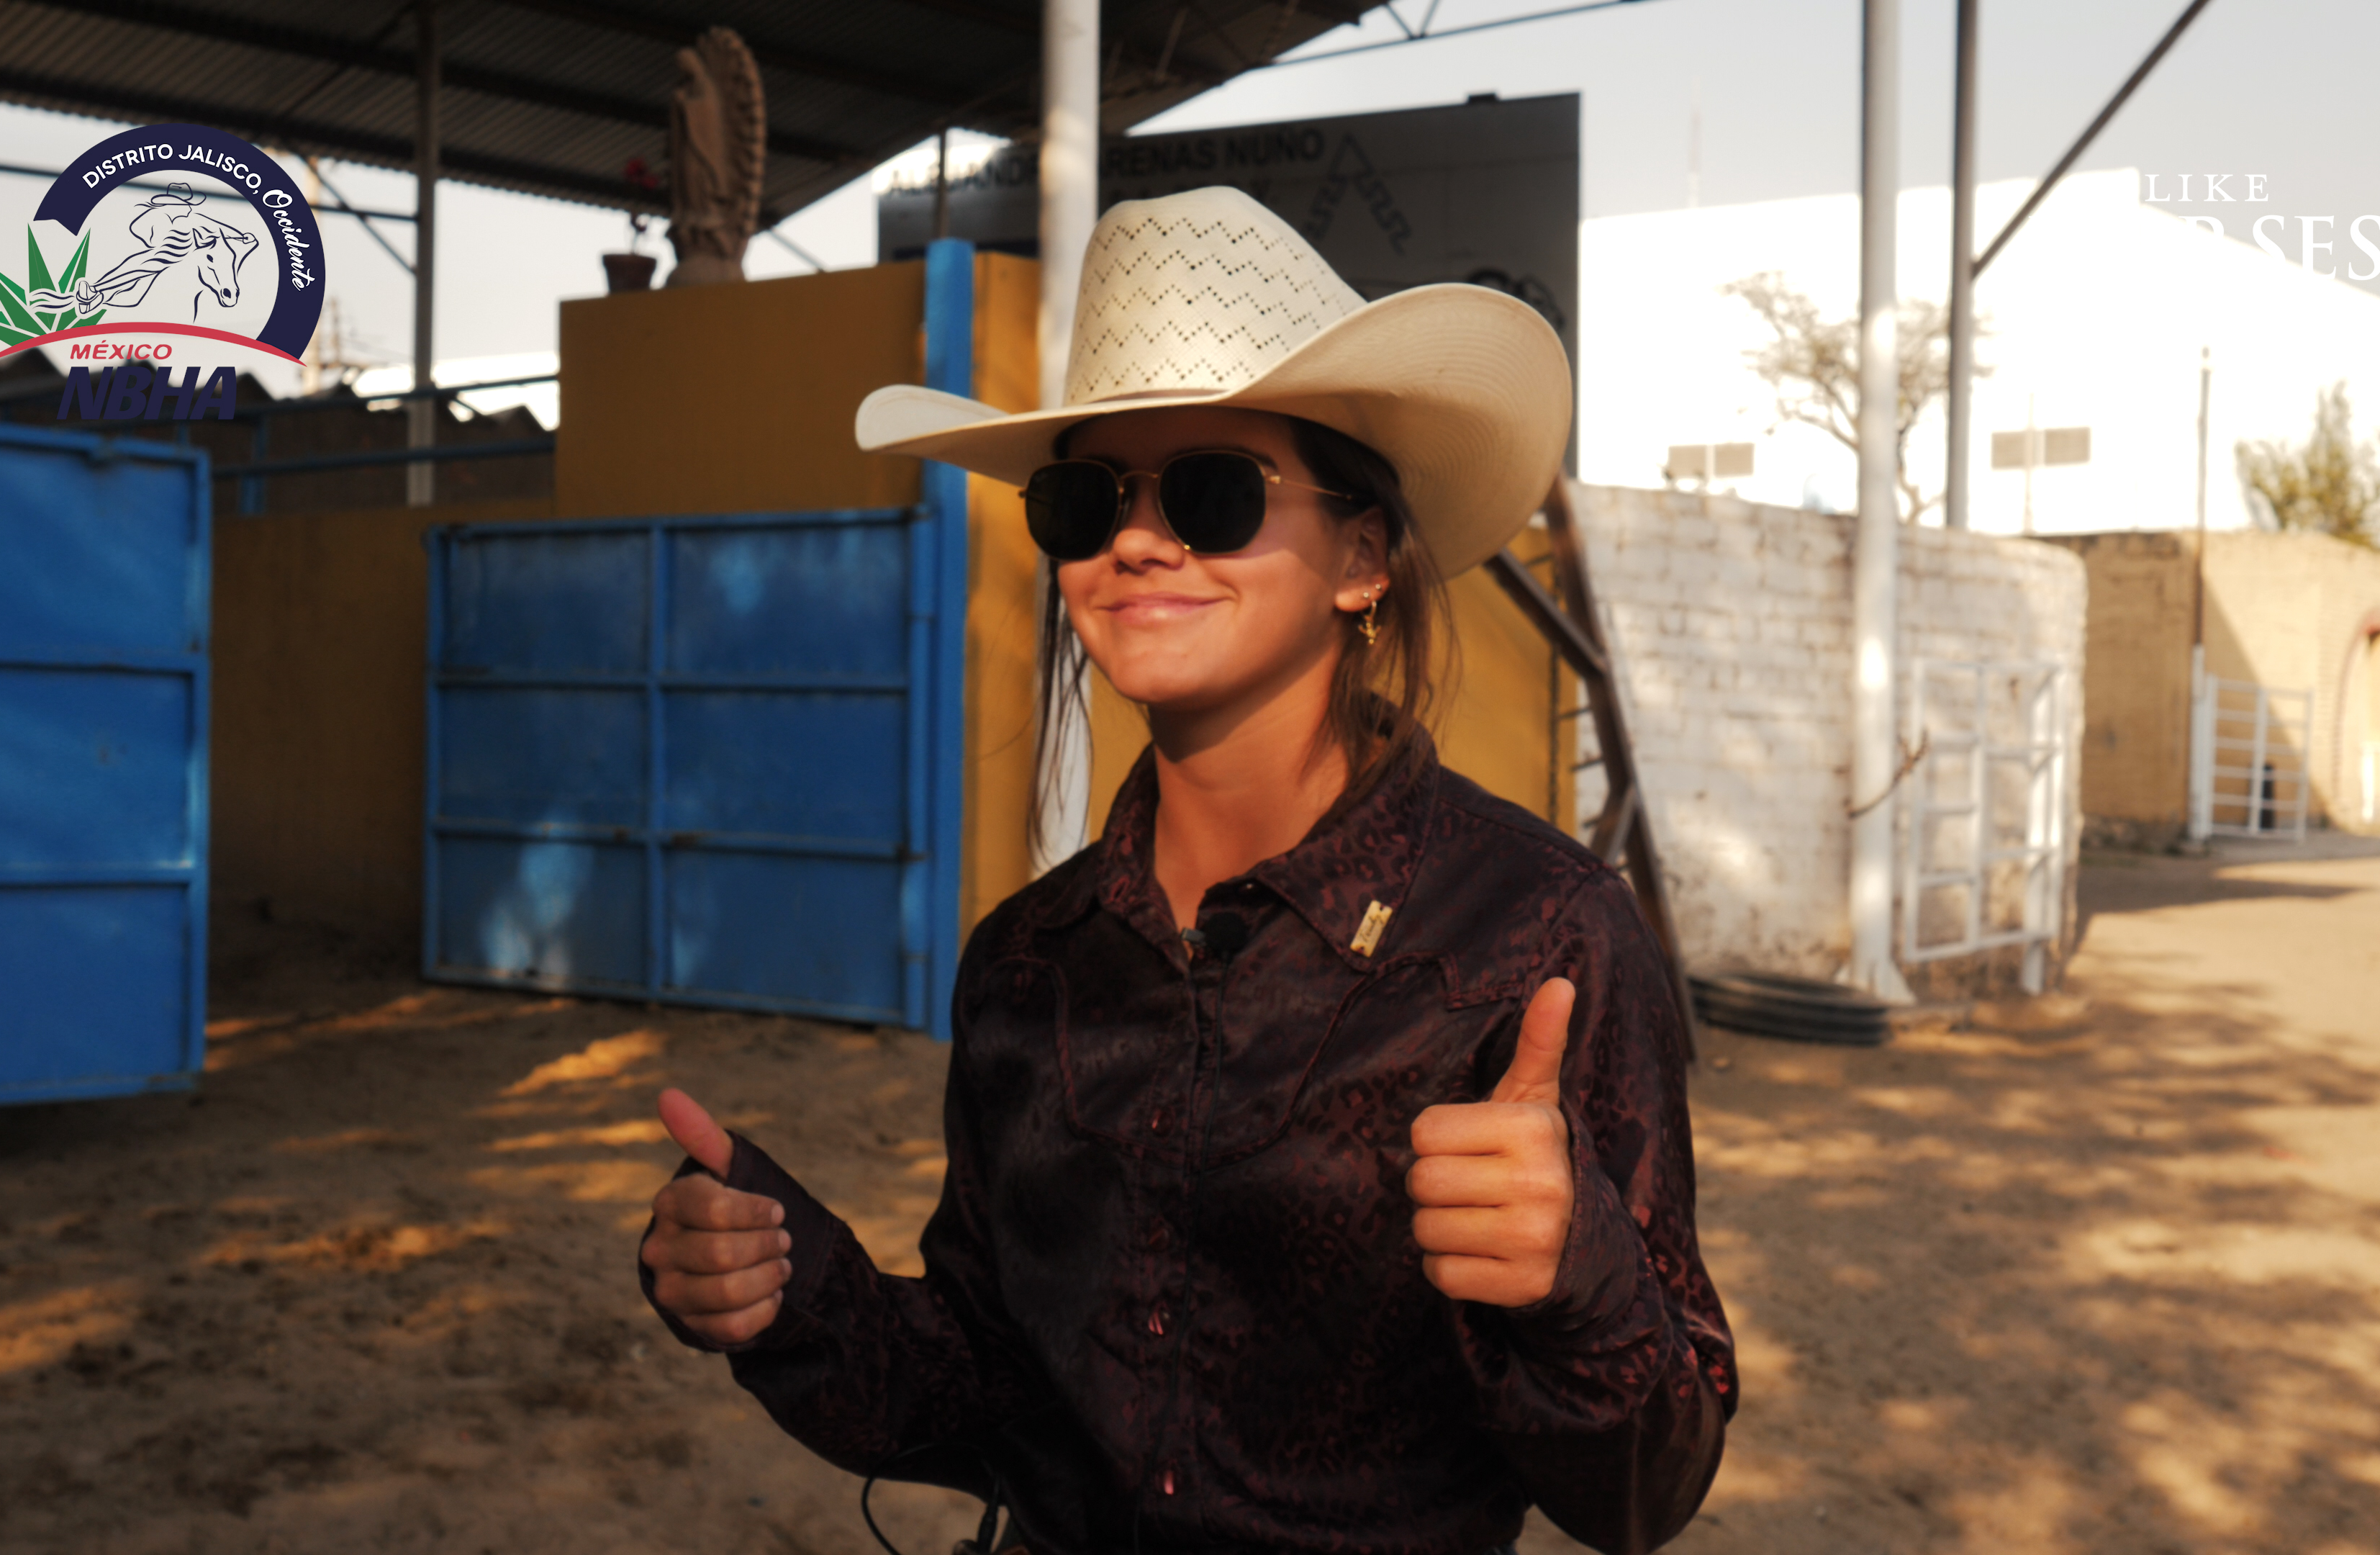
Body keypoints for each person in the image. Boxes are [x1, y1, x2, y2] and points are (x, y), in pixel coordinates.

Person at [639, 186, 1734, 1555]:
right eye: (1086, 498)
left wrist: (1574, 1276)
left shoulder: (1542, 938)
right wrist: (789, 1294)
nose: (1139, 541)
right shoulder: (1027, 962)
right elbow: (990, 1391)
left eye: (1215, 492)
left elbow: (1649, 1490)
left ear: (1362, 556)